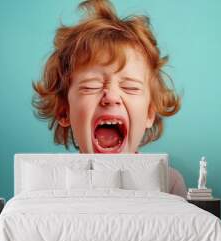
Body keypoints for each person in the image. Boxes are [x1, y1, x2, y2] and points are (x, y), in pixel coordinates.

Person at [32, 0, 187, 198]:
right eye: (91, 86)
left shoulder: (169, 183)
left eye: (130, 87)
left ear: (149, 113)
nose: (111, 97)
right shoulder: (53, 185)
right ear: (64, 111)